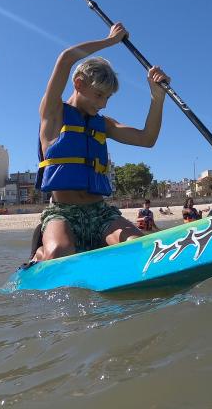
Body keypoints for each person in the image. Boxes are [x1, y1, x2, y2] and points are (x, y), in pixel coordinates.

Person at [30, 22, 171, 262]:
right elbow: (66, 59)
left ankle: (102, 246)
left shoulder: (103, 124)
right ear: (78, 84)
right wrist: (110, 41)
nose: (103, 103)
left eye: (107, 98)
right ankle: (40, 253)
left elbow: (147, 139)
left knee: (138, 246)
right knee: (58, 253)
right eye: (99, 95)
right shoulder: (53, 112)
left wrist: (157, 98)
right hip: (63, 213)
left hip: (100, 212)